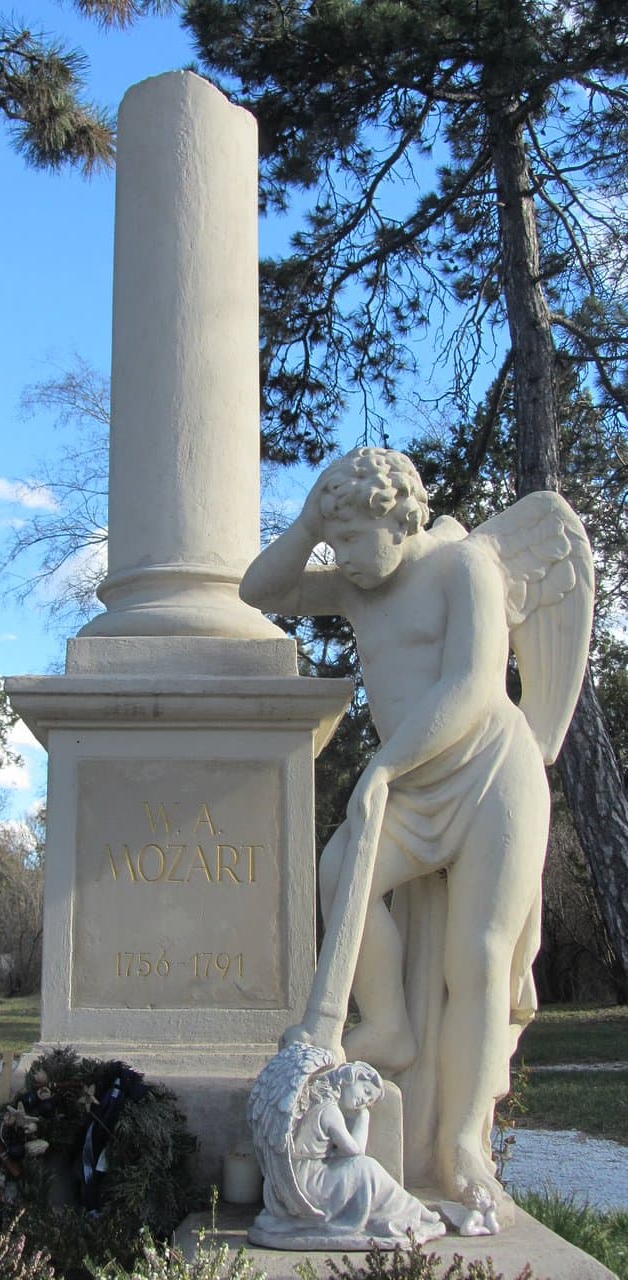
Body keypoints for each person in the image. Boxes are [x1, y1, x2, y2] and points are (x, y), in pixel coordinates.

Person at [240, 448, 592, 1209]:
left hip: (490, 774)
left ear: (400, 519)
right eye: (334, 549)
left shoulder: (465, 567)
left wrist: (382, 769)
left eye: (354, 543)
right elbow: (258, 587)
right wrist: (310, 522)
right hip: (411, 783)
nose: (345, 564)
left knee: (479, 956)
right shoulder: (357, 585)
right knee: (340, 873)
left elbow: (470, 686)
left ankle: (464, 1138)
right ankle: (391, 1027)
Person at [247, 1044, 445, 1246]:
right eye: (366, 1091)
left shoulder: (314, 1097)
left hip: (300, 1176)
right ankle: (414, 1212)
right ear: (351, 1076)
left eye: (369, 1101)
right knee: (366, 1168)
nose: (364, 1102)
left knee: (364, 1170)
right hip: (308, 1182)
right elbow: (354, 1152)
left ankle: (415, 1211)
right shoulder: (329, 1111)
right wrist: (363, 1119)